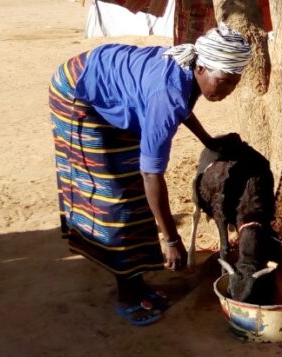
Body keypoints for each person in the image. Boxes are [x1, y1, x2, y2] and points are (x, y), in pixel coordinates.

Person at [49, 24, 251, 325]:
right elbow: (151, 173)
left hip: (110, 84)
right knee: (117, 198)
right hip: (79, 94)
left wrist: (208, 141)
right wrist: (170, 239)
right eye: (222, 82)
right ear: (201, 67)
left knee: (133, 194)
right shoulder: (167, 93)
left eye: (233, 84)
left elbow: (181, 106)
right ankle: (129, 294)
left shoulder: (186, 73)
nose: (225, 91)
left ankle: (134, 277)